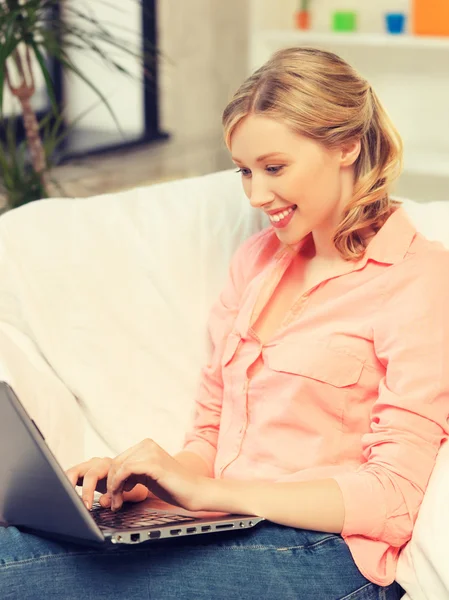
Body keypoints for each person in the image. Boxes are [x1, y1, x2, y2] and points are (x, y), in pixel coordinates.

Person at [1, 46, 447, 600]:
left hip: (328, 556)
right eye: (244, 171)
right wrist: (158, 484)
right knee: (18, 543)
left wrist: (211, 493)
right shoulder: (257, 262)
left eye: (275, 168)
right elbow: (210, 433)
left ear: (347, 146)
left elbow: (395, 497)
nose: (257, 195)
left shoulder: (419, 277)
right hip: (230, 528)